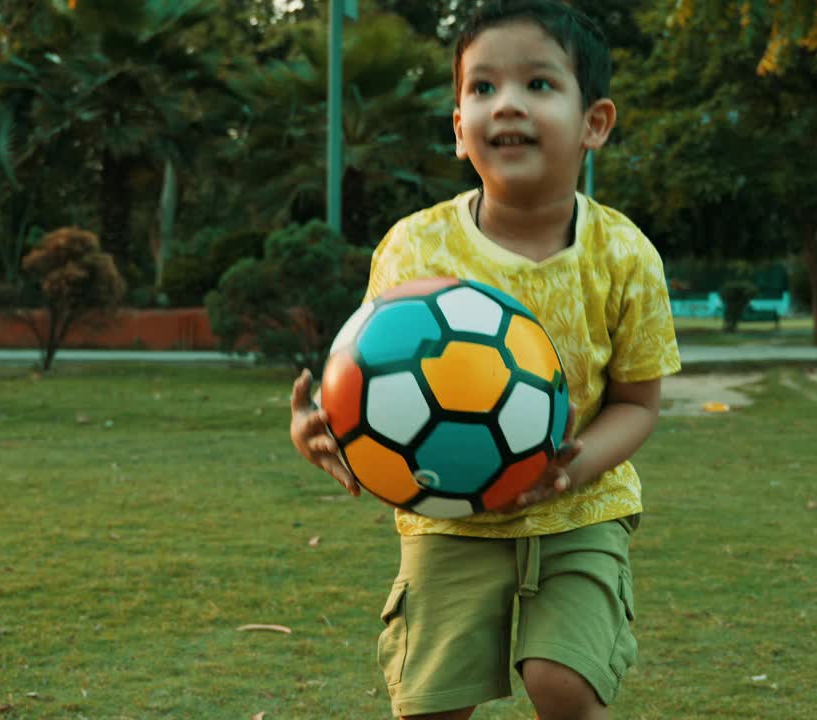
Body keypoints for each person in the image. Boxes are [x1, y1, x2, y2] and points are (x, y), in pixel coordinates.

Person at [289, 1, 681, 717]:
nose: (506, 106)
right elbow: (368, 380)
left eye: (538, 85)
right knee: (434, 703)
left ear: (594, 122)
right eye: (482, 88)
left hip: (579, 511)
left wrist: (574, 466)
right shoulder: (414, 250)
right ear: (459, 128)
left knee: (563, 682)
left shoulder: (625, 256)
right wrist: (322, 426)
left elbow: (638, 403)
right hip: (446, 516)